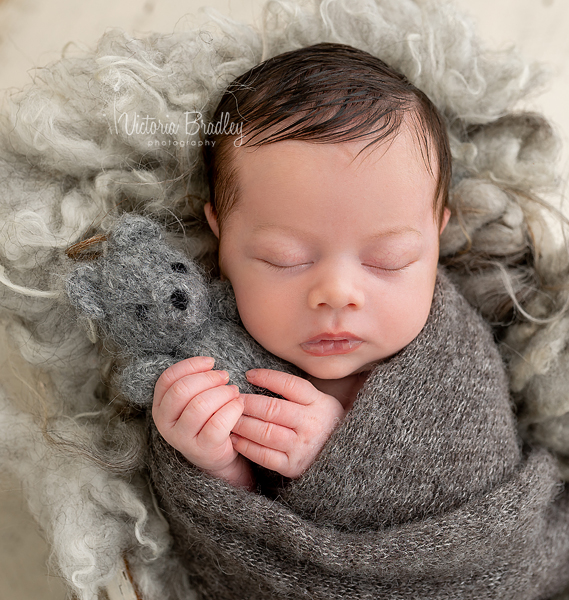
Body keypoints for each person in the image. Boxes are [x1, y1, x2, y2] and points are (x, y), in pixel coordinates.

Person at [150, 43, 455, 492]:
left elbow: (478, 509)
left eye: (388, 261)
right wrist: (220, 467)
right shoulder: (219, 367)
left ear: (438, 235)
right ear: (220, 236)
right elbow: (248, 549)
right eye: (284, 259)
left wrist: (344, 459)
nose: (336, 292)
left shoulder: (453, 370)